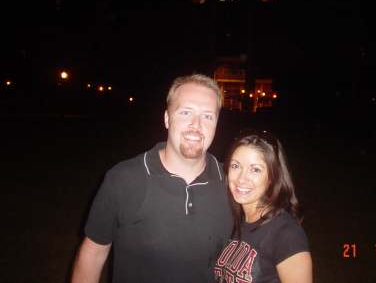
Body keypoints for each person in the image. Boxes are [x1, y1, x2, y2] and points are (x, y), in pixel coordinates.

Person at [72, 74, 234, 283]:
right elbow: (93, 253)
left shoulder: (234, 184)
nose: (196, 125)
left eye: (207, 116)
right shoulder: (124, 179)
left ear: (216, 124)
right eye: (186, 112)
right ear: (167, 118)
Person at [214, 130, 313, 283]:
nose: (242, 178)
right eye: (236, 166)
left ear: (272, 177)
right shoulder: (231, 223)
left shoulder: (286, 234)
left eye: (255, 169)